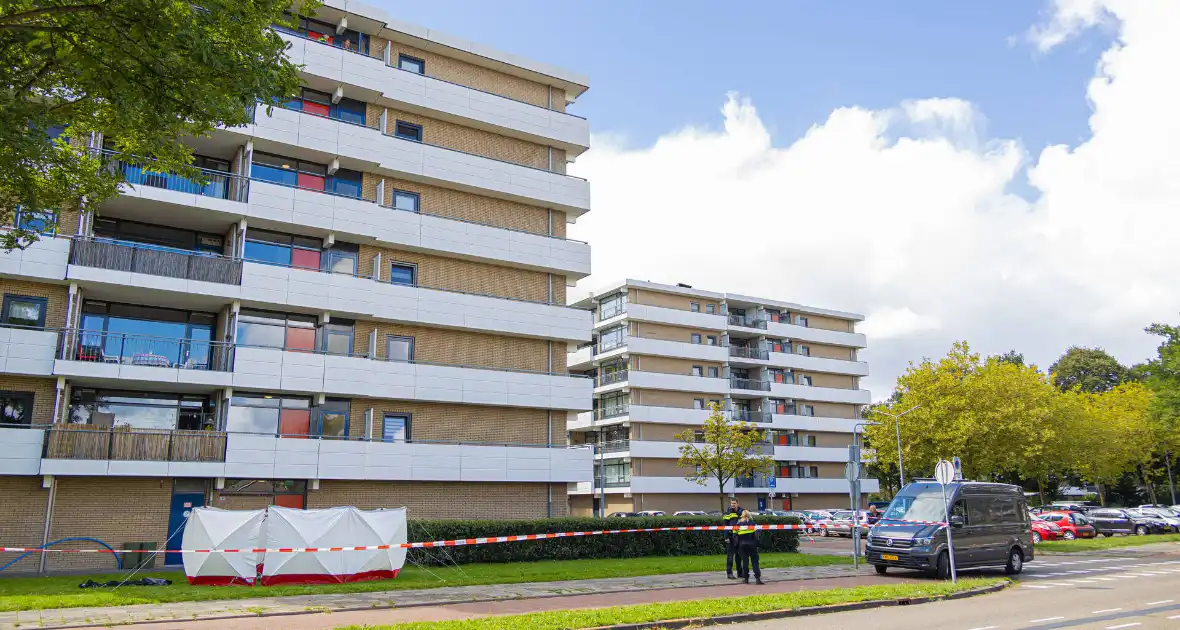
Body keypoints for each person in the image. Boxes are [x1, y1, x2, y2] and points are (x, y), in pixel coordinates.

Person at [736, 510, 764, 585]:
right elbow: (759, 532)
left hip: (742, 545)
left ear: (742, 515)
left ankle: (746, 579)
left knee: (745, 562)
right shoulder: (752, 523)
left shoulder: (738, 524)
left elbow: (734, 534)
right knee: (755, 562)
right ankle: (757, 578)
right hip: (752, 544)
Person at [723, 499, 745, 579]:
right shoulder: (727, 513)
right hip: (731, 537)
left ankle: (740, 572)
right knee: (730, 556)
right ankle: (729, 573)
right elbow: (725, 526)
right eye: (731, 503)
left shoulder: (742, 512)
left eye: (734, 503)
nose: (732, 505)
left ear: (738, 503)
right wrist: (726, 537)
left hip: (740, 536)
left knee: (739, 556)